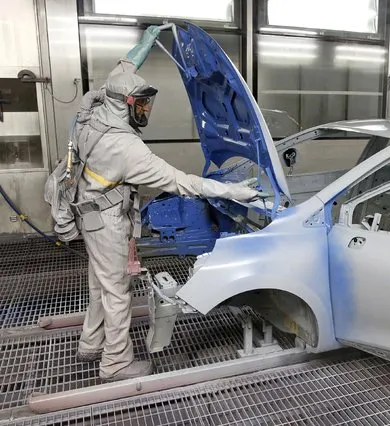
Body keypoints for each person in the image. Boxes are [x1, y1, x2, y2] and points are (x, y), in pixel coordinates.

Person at [73, 26, 263, 382]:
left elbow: (127, 62)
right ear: (124, 103)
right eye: (140, 105)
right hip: (108, 221)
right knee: (117, 292)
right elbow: (184, 182)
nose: (145, 110)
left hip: (88, 213)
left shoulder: (101, 101)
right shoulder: (127, 148)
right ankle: (115, 364)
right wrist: (234, 192)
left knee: (99, 285)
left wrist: (149, 38)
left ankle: (90, 343)